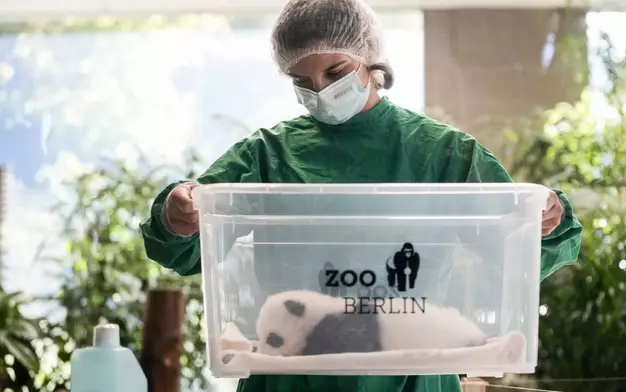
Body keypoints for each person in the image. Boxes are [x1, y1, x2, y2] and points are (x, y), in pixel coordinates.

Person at [139, 0, 583, 391]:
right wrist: (177, 214)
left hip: (413, 374)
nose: (321, 91)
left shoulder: (443, 153)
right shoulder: (267, 155)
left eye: (335, 73)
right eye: (302, 80)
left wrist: (543, 222)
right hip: (291, 375)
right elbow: (184, 247)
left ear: (372, 61)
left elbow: (522, 255)